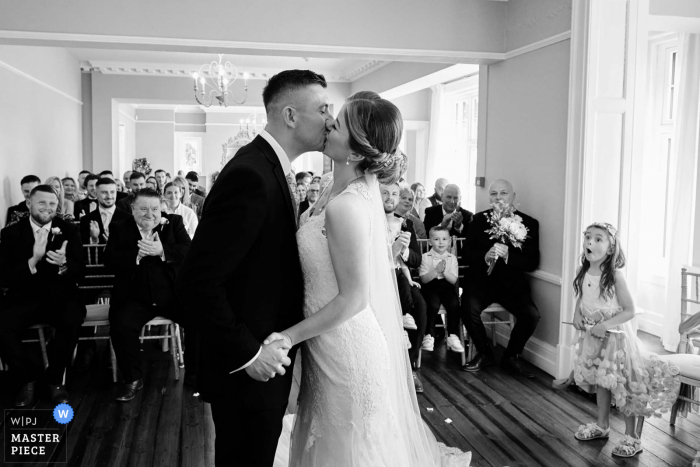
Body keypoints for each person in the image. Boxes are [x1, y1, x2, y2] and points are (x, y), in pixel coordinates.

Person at [266, 91, 471, 466]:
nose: (329, 123)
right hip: (324, 344)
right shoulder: (332, 188)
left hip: (346, 351)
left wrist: (289, 336)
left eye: (339, 123)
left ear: (358, 153)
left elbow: (354, 298)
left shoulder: (347, 206)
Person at [175, 70, 333, 467]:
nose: (331, 119)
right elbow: (199, 281)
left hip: (268, 356)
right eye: (324, 109)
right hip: (247, 368)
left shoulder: (270, 166)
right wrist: (250, 355)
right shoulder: (250, 174)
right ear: (291, 115)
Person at [570, 222, 679, 457]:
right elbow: (583, 297)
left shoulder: (615, 276)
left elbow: (629, 310)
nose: (591, 242)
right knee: (602, 382)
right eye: (588, 237)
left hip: (615, 341)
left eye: (599, 238)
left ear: (610, 249)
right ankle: (602, 425)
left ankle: (632, 436)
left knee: (624, 386)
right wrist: (577, 314)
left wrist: (605, 325)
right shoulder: (584, 271)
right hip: (594, 339)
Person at [0, 185, 86, 406]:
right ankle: (27, 377)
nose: (48, 208)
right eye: (42, 202)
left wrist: (65, 265)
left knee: (73, 318)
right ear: (29, 203)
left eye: (52, 203)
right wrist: (33, 260)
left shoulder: (69, 230)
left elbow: (81, 271)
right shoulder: (10, 234)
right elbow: (5, 276)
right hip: (23, 297)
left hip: (60, 296)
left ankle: (55, 379)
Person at [105, 188, 192, 402]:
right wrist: (136, 254)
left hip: (172, 296)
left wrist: (162, 251)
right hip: (135, 298)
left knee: (199, 318)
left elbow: (189, 251)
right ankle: (133, 379)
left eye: (154, 209)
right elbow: (109, 260)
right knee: (120, 325)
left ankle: (196, 374)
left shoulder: (174, 223)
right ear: (132, 209)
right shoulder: (120, 227)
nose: (150, 214)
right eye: (143, 209)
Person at [461, 179, 539, 378]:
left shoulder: (529, 224)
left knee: (531, 315)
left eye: (503, 193)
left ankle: (511, 356)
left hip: (512, 285)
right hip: (481, 282)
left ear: (513, 197)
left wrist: (508, 256)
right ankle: (485, 353)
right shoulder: (478, 220)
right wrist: (485, 256)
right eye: (494, 194)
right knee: (468, 308)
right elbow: (466, 254)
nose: (498, 198)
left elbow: (532, 262)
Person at [419, 226, 464, 354]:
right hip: (431, 286)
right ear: (429, 242)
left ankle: (453, 336)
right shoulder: (425, 257)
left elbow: (454, 280)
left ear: (449, 241)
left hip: (447, 286)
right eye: (437, 239)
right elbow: (424, 279)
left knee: (454, 304)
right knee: (432, 305)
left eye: (444, 239)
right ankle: (429, 335)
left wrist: (443, 272)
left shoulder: (452, 258)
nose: (441, 242)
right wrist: (436, 271)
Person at [79, 177, 129, 244]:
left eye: (112, 192)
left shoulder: (128, 219)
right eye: (104, 192)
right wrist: (94, 239)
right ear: (96, 194)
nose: (109, 196)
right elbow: (83, 249)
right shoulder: (86, 220)